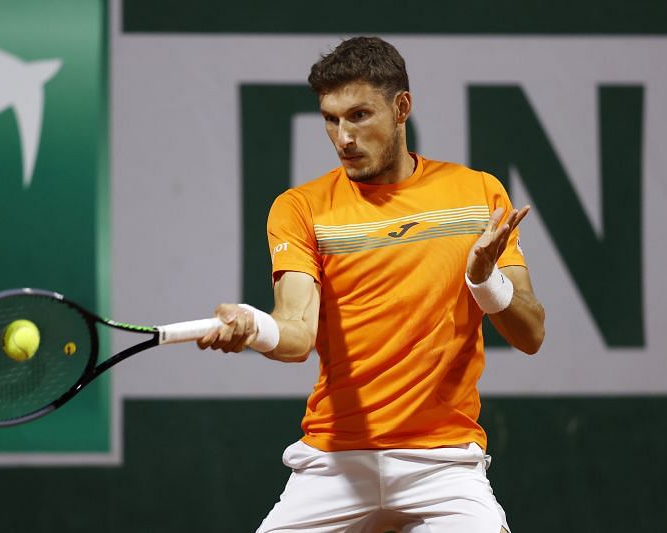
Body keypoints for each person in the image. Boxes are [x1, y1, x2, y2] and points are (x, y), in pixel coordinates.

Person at [198, 36, 545, 533]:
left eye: (359, 115)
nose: (343, 137)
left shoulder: (477, 193)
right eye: (331, 119)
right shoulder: (300, 207)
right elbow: (296, 333)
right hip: (335, 462)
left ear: (401, 107)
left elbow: (531, 333)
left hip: (443, 465)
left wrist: (483, 281)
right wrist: (252, 327)